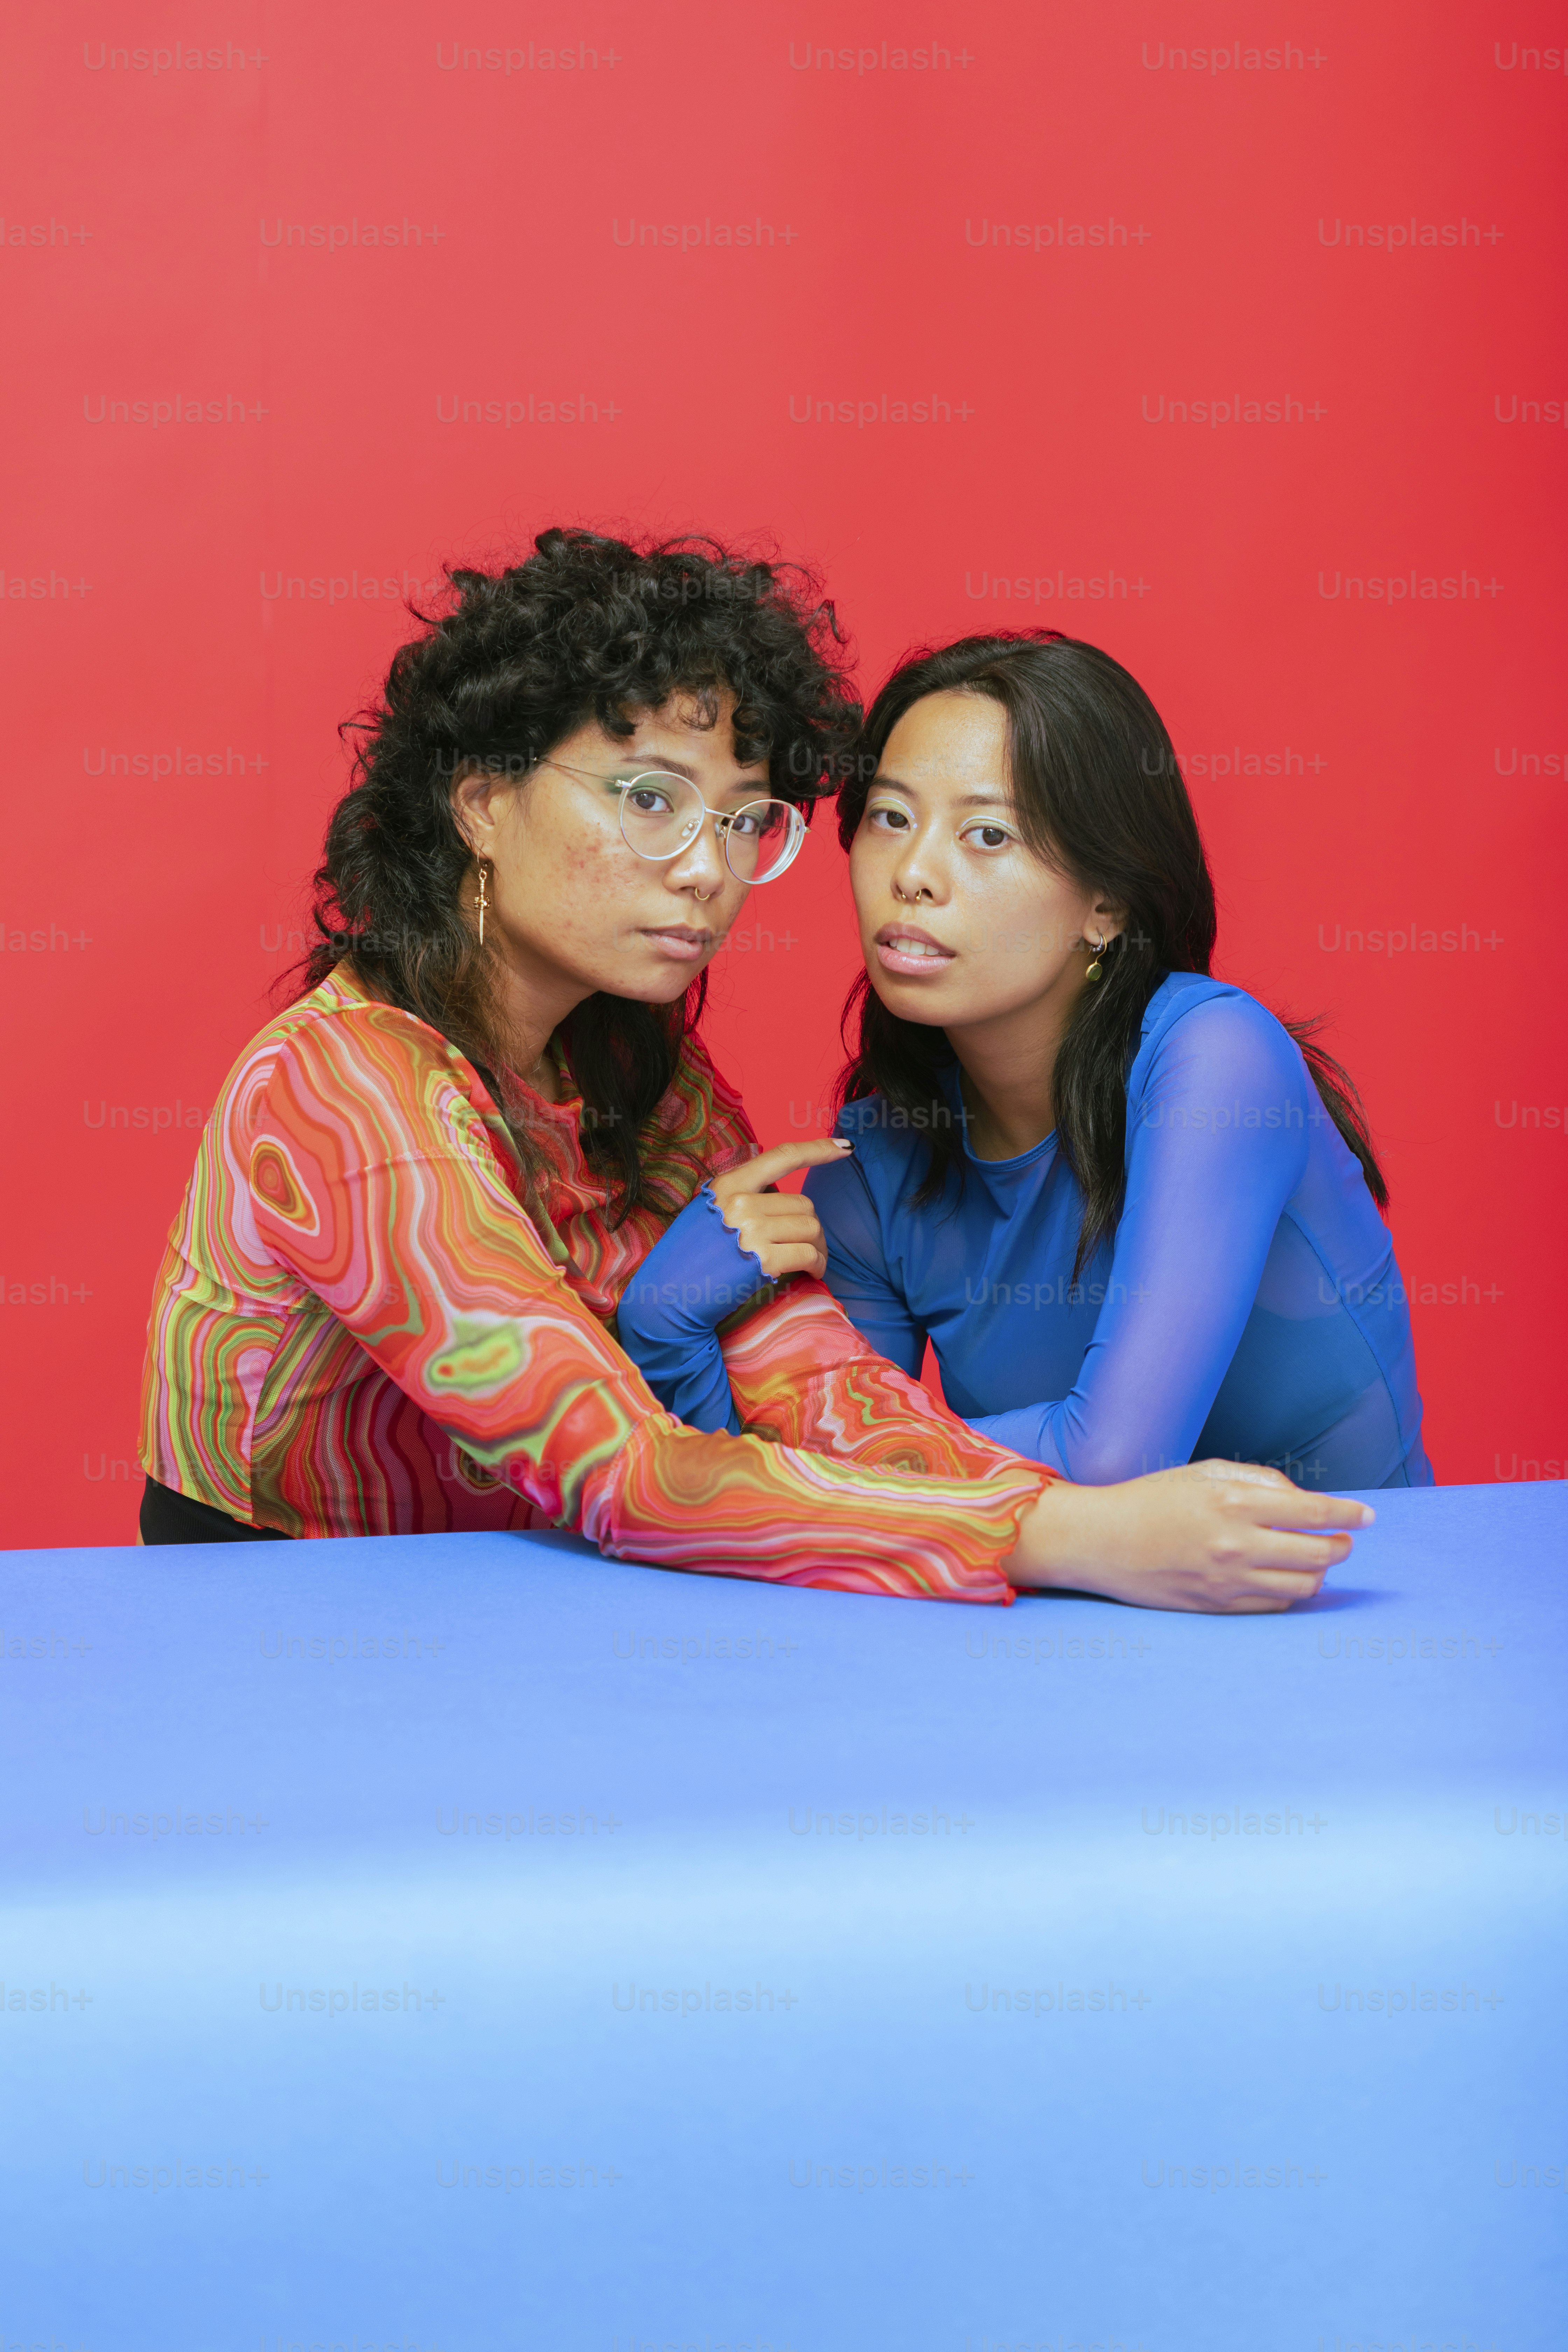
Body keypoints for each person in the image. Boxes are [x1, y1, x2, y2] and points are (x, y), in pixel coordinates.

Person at [139, 536, 1371, 1610]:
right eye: (647, 798)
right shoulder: (342, 1094)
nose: (706, 869)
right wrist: (1057, 1532)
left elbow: (810, 1378)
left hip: (541, 1602)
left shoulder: (637, 1072)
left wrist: (706, 1344)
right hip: (284, 1613)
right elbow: (621, 1471)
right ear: (481, 803)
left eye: (741, 818)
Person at [622, 630, 1428, 1491]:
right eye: (891, 818)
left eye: (987, 834)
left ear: (1106, 905)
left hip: (1339, 1603)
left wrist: (848, 1459)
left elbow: (1112, 1457)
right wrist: (664, 1333)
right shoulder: (875, 1162)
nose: (914, 873)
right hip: (1056, 1614)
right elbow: (821, 1513)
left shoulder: (1215, 1061)